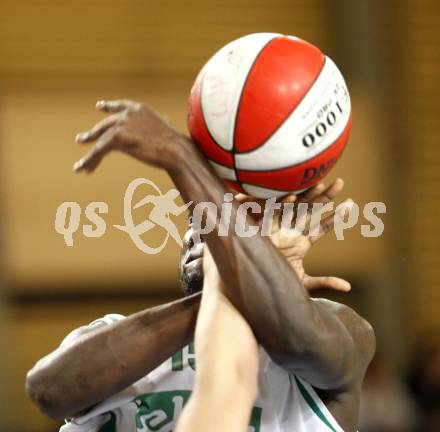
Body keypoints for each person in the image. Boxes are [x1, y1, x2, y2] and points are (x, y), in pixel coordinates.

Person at [26, 100, 376, 431]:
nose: (206, 233)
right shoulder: (110, 332)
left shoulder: (345, 328)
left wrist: (245, 280)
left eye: (234, 230)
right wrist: (243, 284)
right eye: (198, 221)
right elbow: (49, 390)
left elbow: (301, 342)